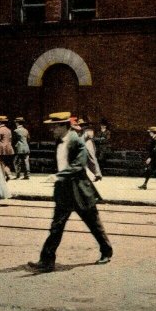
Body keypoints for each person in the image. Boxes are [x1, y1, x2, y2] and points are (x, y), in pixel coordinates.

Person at [28, 112, 113, 272]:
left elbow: (79, 165)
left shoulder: (77, 141)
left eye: (54, 126)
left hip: (80, 191)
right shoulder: (59, 141)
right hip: (64, 191)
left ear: (63, 126)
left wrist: (58, 176)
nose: (52, 129)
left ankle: (106, 251)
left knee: (93, 224)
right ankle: (46, 261)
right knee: (56, 226)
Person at [0, 115, 15, 180]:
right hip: (9, 148)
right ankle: (9, 174)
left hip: (2, 148)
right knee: (7, 162)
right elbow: (10, 140)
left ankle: (4, 175)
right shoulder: (9, 130)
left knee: (1, 162)